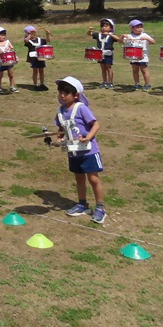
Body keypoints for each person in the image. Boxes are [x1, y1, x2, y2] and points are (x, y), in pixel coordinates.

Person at [55, 76, 107, 224]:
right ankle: (82, 204)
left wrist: (88, 137)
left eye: (66, 92)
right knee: (79, 178)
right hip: (73, 151)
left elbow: (95, 124)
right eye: (60, 92)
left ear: (76, 95)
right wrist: (59, 139)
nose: (62, 95)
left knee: (93, 178)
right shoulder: (60, 111)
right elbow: (61, 128)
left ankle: (100, 208)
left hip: (89, 152)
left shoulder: (81, 108)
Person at [121, 20, 154, 91]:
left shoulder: (144, 35)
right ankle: (137, 84)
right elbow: (120, 42)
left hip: (143, 56)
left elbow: (153, 42)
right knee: (135, 70)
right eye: (137, 27)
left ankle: (147, 84)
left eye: (141, 27)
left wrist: (147, 38)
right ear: (132, 28)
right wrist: (122, 36)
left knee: (144, 69)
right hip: (133, 56)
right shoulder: (129, 36)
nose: (140, 28)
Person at [86, 18, 118, 89]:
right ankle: (104, 81)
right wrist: (89, 31)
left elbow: (118, 39)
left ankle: (110, 82)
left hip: (108, 53)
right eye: (102, 26)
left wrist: (110, 34)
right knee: (103, 68)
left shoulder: (111, 35)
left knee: (108, 68)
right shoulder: (98, 34)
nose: (104, 28)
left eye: (106, 26)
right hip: (100, 53)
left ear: (111, 28)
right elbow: (89, 34)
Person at [24, 25, 52, 91]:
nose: (33, 34)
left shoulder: (39, 39)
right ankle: (35, 84)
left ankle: (42, 83)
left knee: (41, 70)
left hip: (41, 57)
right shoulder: (28, 41)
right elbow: (26, 41)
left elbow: (48, 40)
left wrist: (47, 34)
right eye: (31, 33)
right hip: (33, 58)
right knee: (35, 71)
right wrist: (30, 34)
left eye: (34, 33)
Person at [0, 27, 17, 94]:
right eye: (2, 35)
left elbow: (12, 49)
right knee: (0, 75)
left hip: (9, 61)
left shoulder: (7, 42)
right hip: (1, 62)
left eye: (4, 35)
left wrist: (10, 49)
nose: (4, 36)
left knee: (11, 74)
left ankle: (12, 87)